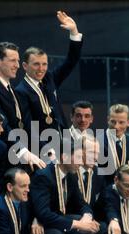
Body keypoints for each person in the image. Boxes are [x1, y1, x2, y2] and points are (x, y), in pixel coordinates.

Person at [29, 138, 105, 234]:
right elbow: (43, 213)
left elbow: (82, 203)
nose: (81, 161)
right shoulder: (44, 176)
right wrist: (78, 224)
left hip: (57, 222)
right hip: (42, 226)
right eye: (77, 157)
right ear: (64, 157)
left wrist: (86, 218)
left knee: (89, 230)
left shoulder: (71, 175)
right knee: (64, 231)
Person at [0, 41, 45, 172]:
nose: (17, 66)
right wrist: (23, 151)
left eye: (18, 61)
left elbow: (26, 123)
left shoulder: (12, 89)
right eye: (12, 61)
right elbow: (1, 126)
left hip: (15, 150)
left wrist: (45, 149)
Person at [15, 11, 83, 139]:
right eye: (36, 64)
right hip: (42, 147)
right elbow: (29, 126)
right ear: (25, 66)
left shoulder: (50, 78)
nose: (41, 69)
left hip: (64, 140)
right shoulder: (20, 92)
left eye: (44, 64)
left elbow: (71, 61)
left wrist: (74, 32)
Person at [98, 104, 129, 186]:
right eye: (113, 122)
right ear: (108, 120)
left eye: (121, 122)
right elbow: (96, 176)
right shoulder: (98, 142)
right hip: (106, 195)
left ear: (128, 122)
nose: (116, 126)